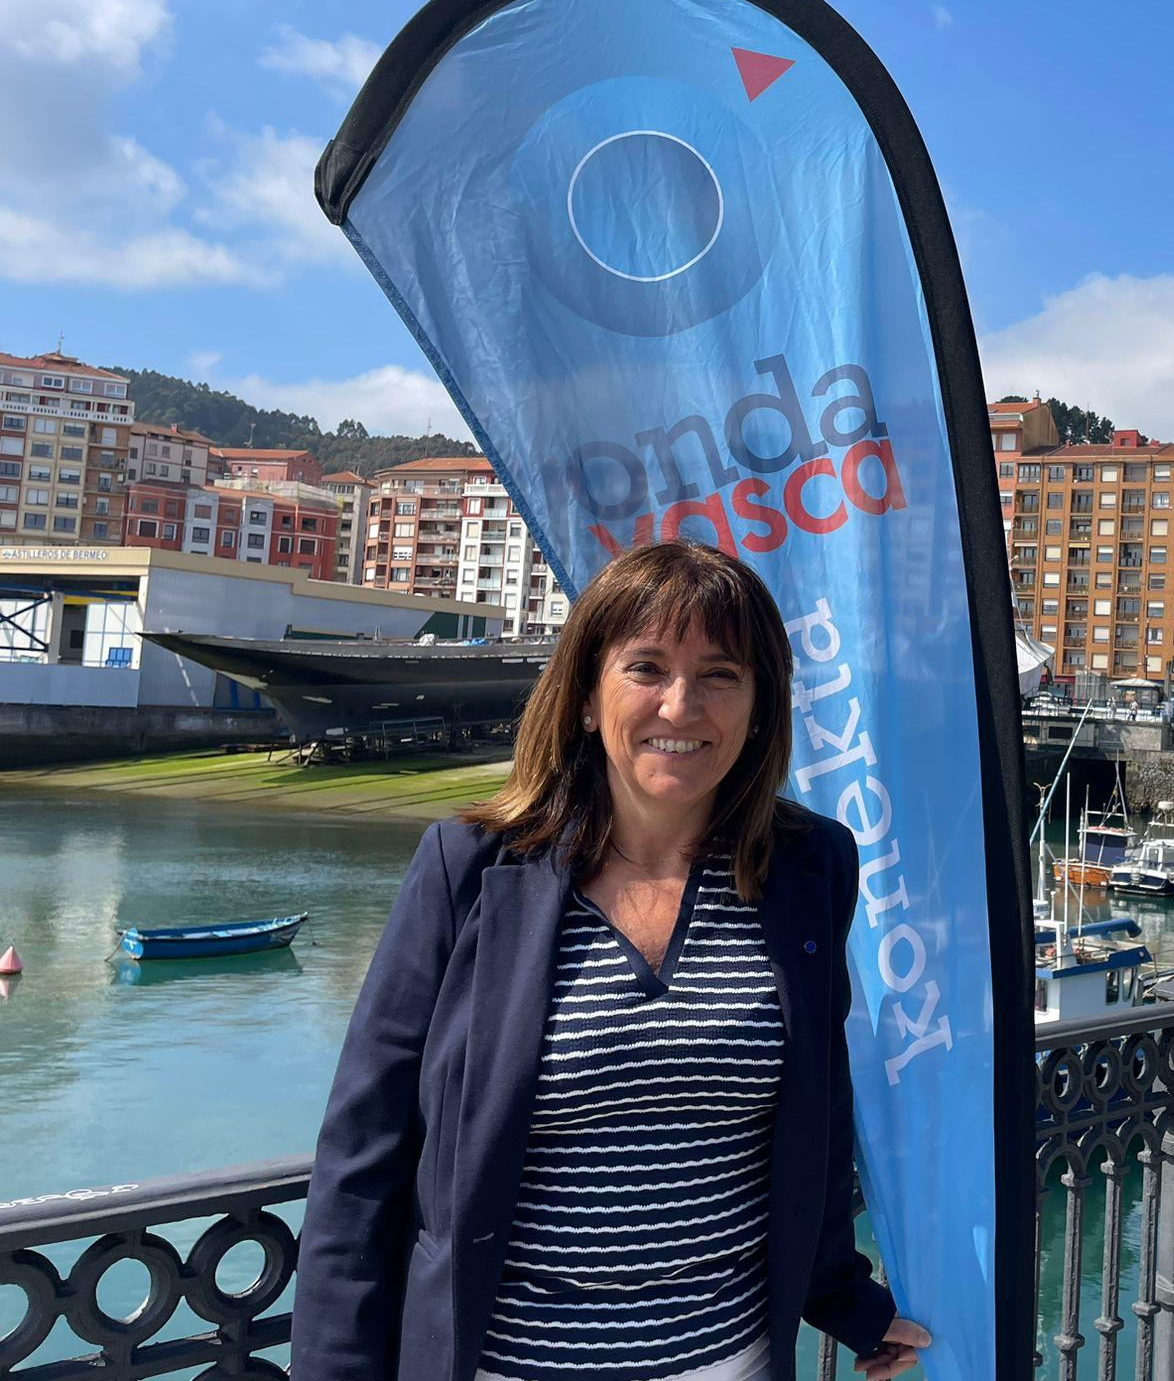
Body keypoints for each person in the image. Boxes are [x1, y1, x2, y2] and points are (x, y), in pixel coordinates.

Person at [294, 541, 931, 1381]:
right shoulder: (472, 868)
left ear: (759, 707)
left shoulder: (809, 865)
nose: (681, 705)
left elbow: (816, 1108)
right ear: (589, 698)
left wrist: (845, 1296)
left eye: (720, 675)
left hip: (726, 1361)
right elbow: (363, 1154)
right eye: (646, 668)